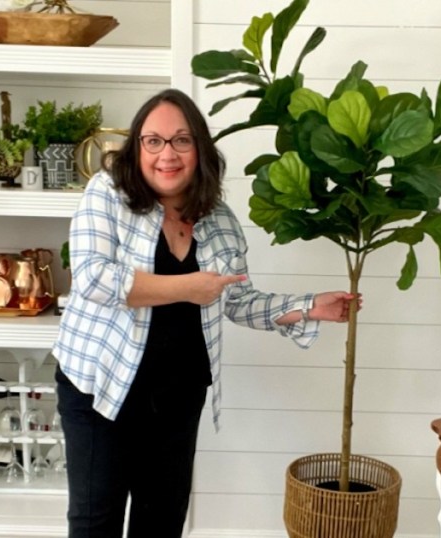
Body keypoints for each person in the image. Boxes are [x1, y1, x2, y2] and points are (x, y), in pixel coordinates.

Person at [51, 88, 358, 538]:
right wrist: (188, 288)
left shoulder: (220, 220)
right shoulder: (108, 194)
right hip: (99, 388)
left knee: (161, 523)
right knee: (95, 522)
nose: (166, 154)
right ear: (137, 147)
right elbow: (94, 279)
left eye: (181, 140)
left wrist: (308, 307)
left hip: (177, 397)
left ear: (200, 148)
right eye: (153, 141)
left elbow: (235, 299)